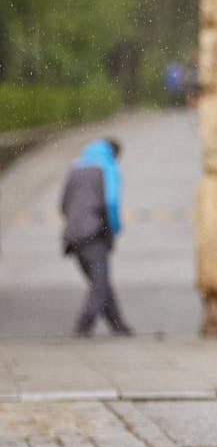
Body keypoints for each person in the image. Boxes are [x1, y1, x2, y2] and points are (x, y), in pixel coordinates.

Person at [60, 138, 133, 337]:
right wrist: (114, 228)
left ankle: (119, 326)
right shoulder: (108, 168)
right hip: (94, 235)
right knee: (100, 284)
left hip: (73, 237)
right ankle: (83, 326)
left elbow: (64, 203)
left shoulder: (76, 166)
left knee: (100, 281)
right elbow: (110, 203)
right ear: (115, 153)